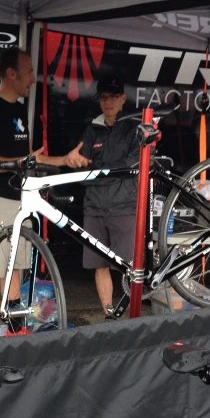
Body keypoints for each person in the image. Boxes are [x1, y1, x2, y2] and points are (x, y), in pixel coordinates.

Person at [0, 47, 89, 342]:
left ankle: (14, 328)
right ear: (12, 73)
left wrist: (63, 160)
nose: (34, 79)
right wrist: (19, 164)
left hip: (19, 198)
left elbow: (30, 158)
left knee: (16, 264)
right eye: (30, 72)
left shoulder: (21, 110)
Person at [78, 75, 140, 318]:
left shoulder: (134, 128)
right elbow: (82, 168)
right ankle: (109, 316)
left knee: (130, 267)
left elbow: (134, 164)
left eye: (113, 97)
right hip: (94, 208)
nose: (108, 102)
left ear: (123, 99)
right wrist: (112, 170)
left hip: (124, 207)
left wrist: (102, 169)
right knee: (99, 265)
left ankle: (131, 318)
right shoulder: (91, 129)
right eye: (104, 97)